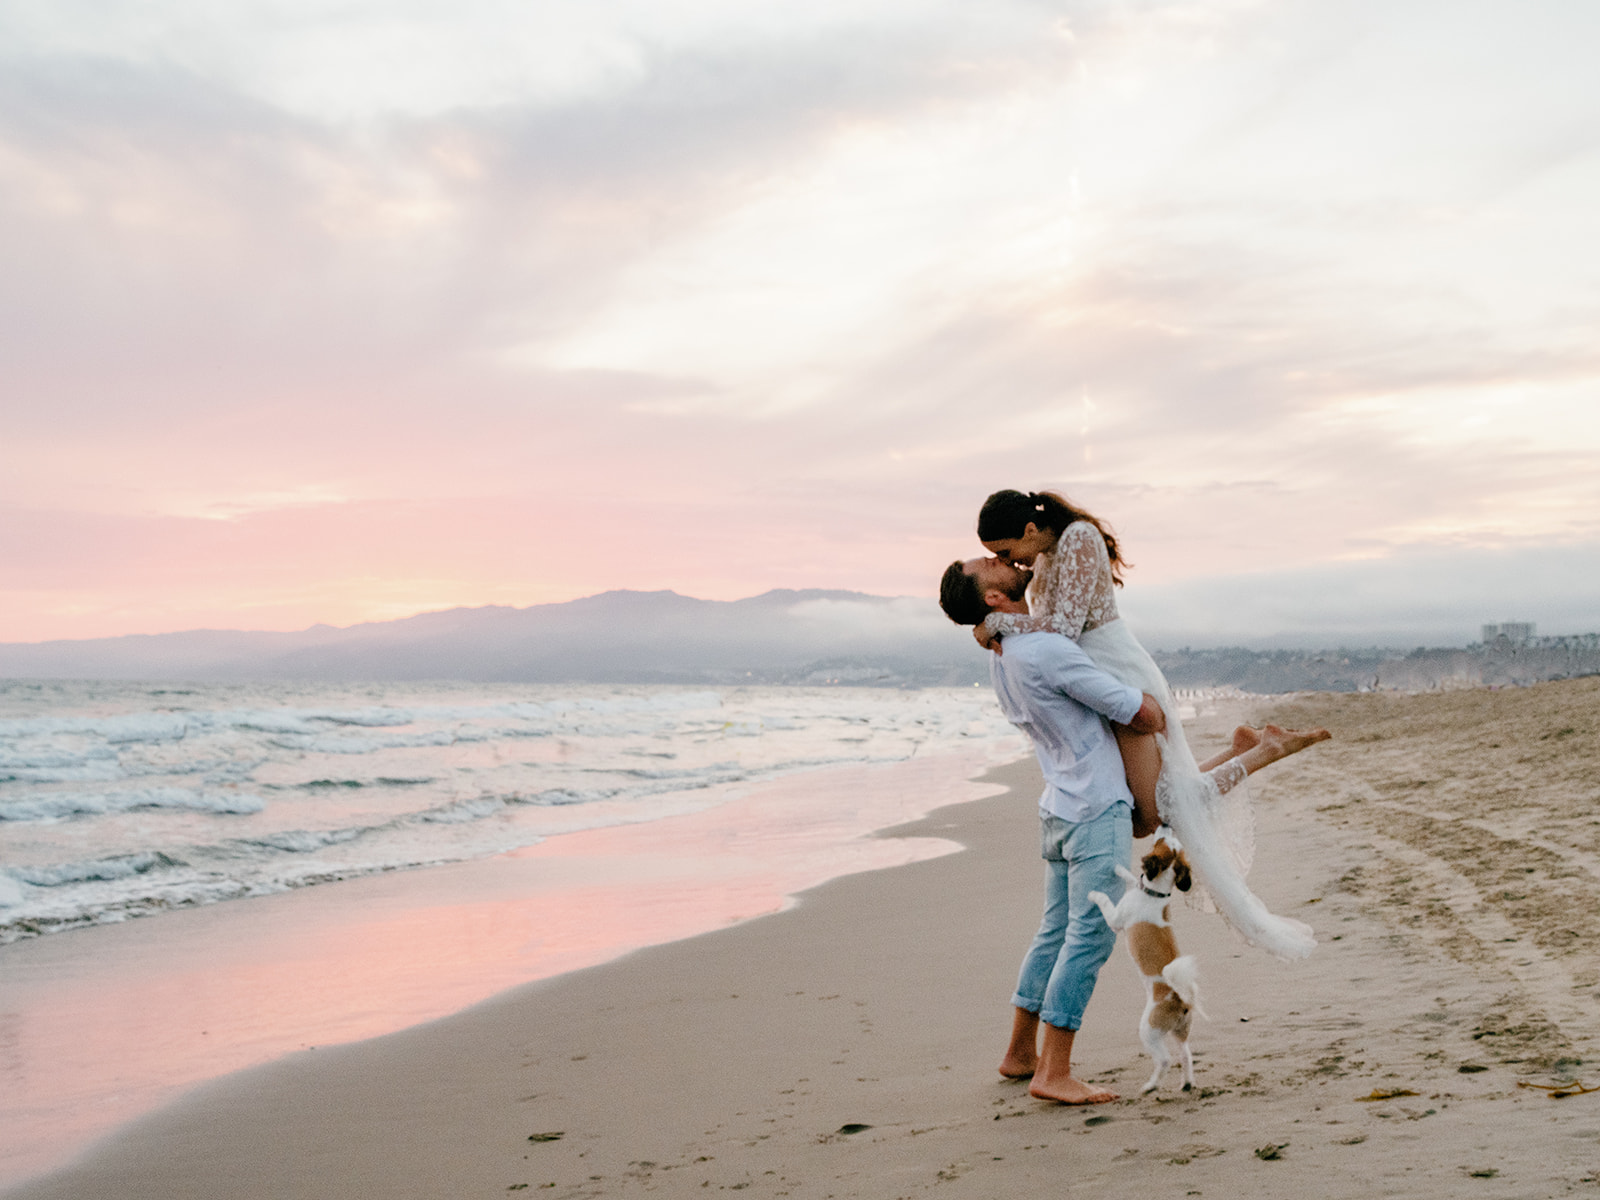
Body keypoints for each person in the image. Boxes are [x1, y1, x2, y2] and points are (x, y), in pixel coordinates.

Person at [941, 502, 1327, 962]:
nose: (1011, 562)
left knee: (1160, 809)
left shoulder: (1079, 538)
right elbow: (1056, 638)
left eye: (1006, 551)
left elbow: (1063, 630)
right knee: (1154, 810)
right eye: (997, 558)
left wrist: (1002, 622)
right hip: (1091, 682)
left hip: (1121, 680)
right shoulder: (1042, 559)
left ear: (1028, 528)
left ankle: (1261, 751)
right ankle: (1252, 750)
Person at [955, 552, 1169, 1103]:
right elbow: (1139, 714)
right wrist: (1152, 700)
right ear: (993, 599)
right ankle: (1054, 1072)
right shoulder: (1043, 649)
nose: (1002, 560)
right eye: (990, 564)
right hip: (1093, 808)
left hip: (1057, 806)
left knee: (1053, 932)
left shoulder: (1001, 656)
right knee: (1089, 937)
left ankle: (1020, 1053)